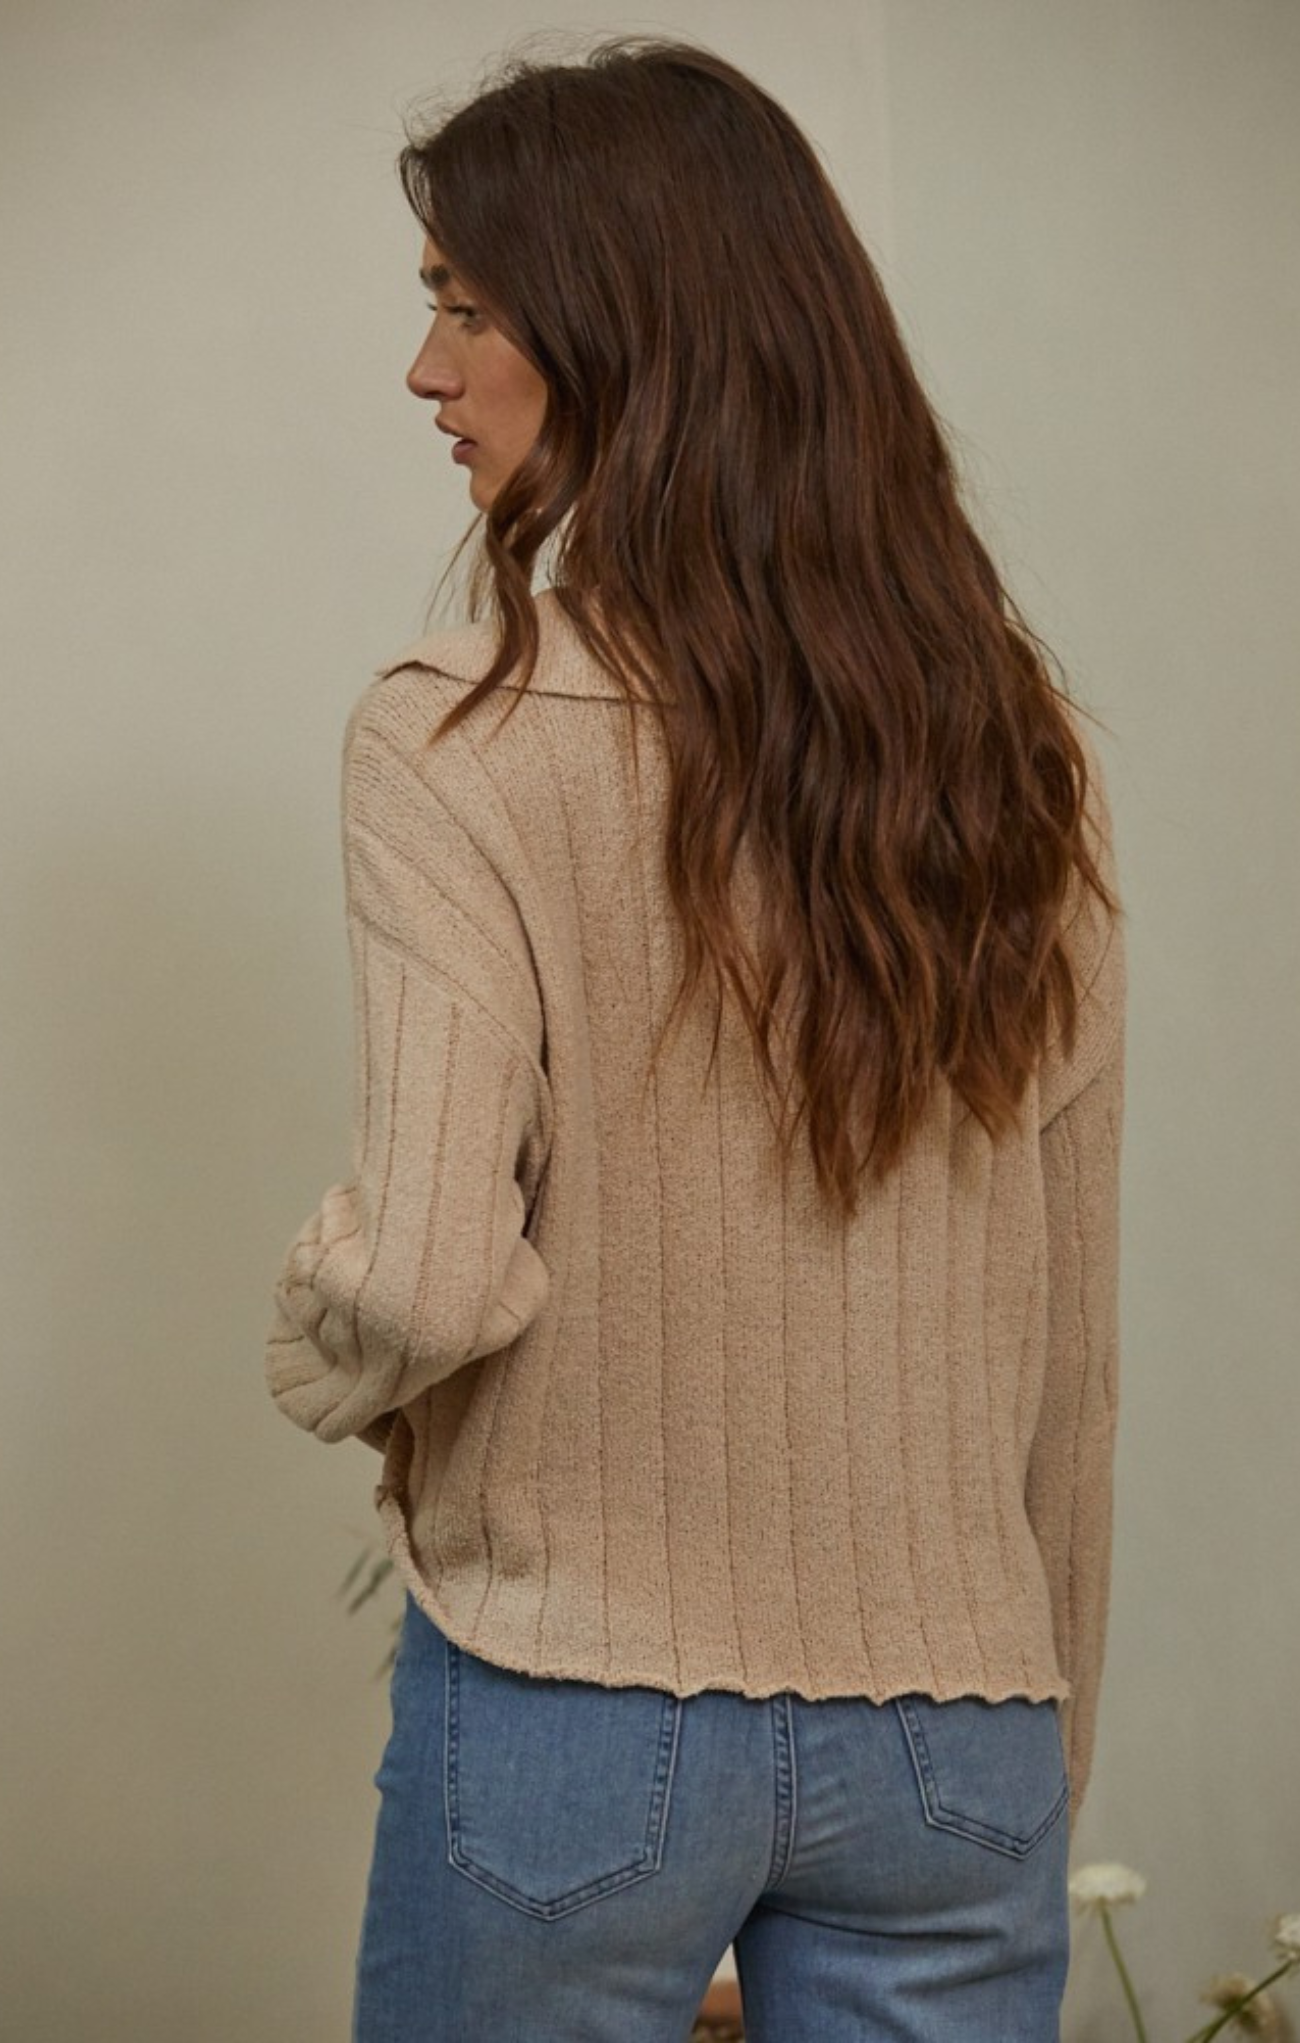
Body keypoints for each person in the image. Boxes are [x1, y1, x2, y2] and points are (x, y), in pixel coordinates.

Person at [264, 33, 1126, 2043]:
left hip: (580, 1707)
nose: (427, 370)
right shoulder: (1018, 755)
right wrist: (1032, 1745)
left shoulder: (454, 732)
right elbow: (1063, 1351)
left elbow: (416, 1268)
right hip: (960, 1731)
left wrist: (318, 1328)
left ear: (619, 325)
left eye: (463, 306)